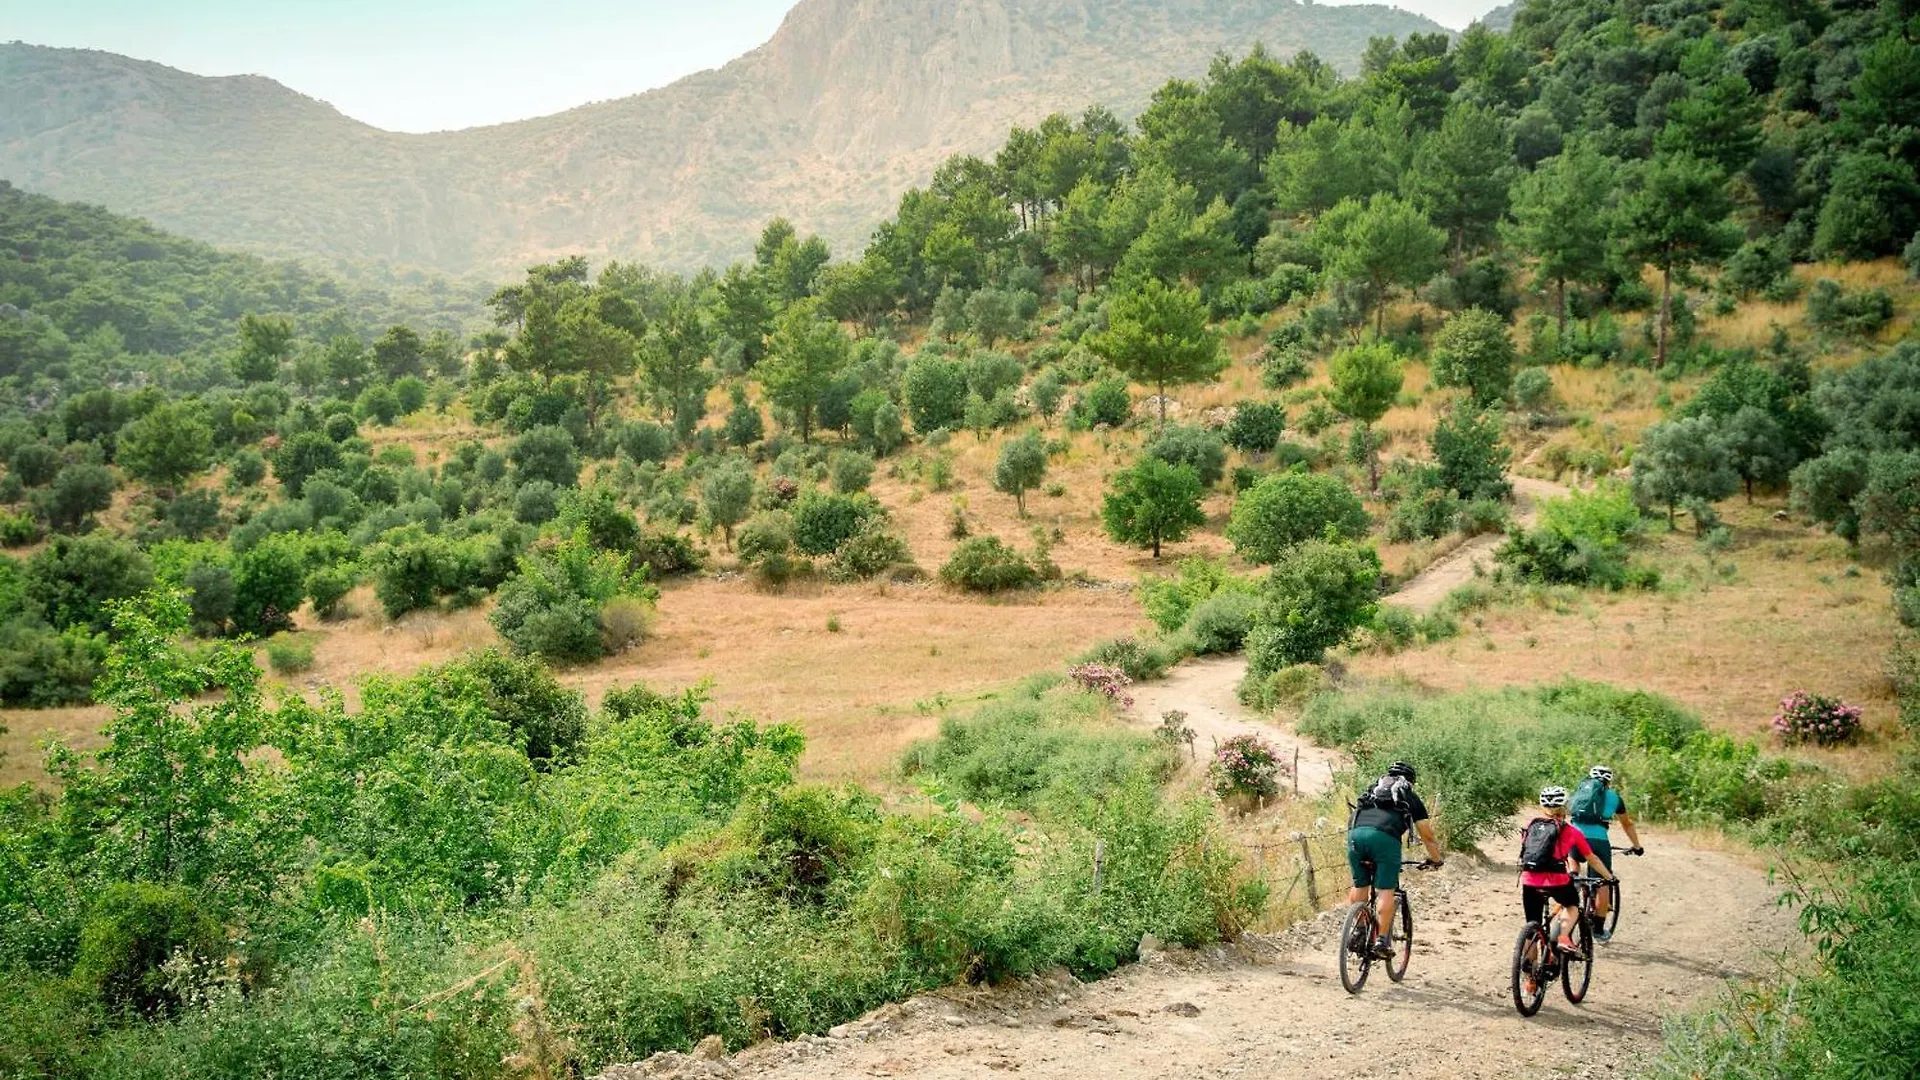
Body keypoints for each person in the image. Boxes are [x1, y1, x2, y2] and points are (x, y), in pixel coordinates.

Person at [1346, 761, 1445, 959]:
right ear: (1411, 781)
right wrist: (1436, 859)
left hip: (1355, 836)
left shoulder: (1371, 790)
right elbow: (1427, 835)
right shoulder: (1408, 795)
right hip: (1384, 839)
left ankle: (1359, 930)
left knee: (1360, 885)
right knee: (1385, 890)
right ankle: (1382, 941)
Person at [1520, 786, 1615, 959]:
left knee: (1532, 926)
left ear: (1542, 806)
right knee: (1572, 905)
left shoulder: (1530, 825)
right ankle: (1563, 937)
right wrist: (1609, 877)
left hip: (1529, 880)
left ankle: (1529, 980)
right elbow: (1592, 858)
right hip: (1557, 881)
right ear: (1565, 806)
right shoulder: (1571, 831)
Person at [1572, 765, 1644, 942]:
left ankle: (1573, 884)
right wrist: (1636, 846)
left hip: (1575, 836)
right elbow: (1627, 824)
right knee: (1604, 881)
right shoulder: (1614, 798)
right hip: (1599, 842)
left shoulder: (1581, 792)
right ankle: (1598, 929)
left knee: (1573, 863)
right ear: (1609, 781)